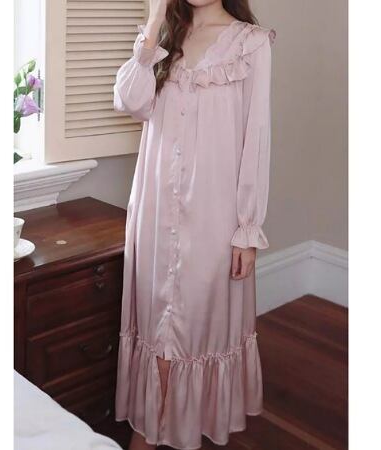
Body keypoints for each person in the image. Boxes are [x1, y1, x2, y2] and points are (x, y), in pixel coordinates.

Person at [113, 1, 275, 449]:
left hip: (213, 217)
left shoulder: (251, 44)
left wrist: (247, 229)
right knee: (156, 329)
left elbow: (256, 140)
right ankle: (150, 430)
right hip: (154, 211)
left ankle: (166, 433)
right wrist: (154, 20)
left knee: (192, 330)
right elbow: (129, 101)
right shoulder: (165, 38)